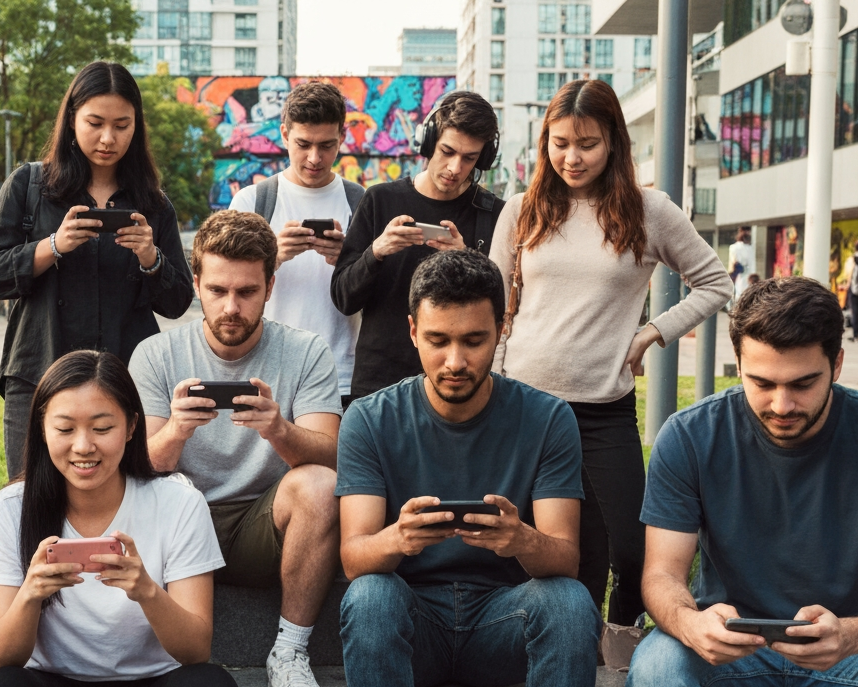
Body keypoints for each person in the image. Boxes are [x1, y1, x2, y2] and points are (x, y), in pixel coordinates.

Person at [627, 276, 858, 687]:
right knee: (656, 669)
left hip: (854, 654)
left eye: (802, 383)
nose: (781, 405)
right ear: (739, 364)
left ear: (836, 364)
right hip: (731, 654)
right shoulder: (689, 437)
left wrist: (850, 635)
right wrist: (691, 624)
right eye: (761, 383)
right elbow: (661, 575)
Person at [338, 250, 598, 687]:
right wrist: (398, 539)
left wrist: (521, 540)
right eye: (438, 341)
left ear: (501, 329)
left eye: (473, 341)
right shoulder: (369, 420)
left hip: (504, 621)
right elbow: (353, 560)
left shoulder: (549, 419)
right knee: (369, 597)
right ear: (412, 331)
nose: (455, 362)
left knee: (570, 604)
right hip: (413, 625)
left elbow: (565, 561)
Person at [489, 79, 732, 627]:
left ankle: (621, 641)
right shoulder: (521, 211)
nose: (571, 158)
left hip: (604, 409)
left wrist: (653, 332)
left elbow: (716, 284)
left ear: (614, 143)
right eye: (559, 142)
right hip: (524, 405)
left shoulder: (649, 211)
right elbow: (495, 310)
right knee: (558, 550)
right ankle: (571, 649)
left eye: (588, 143)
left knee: (632, 548)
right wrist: (494, 382)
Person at [0, 350, 244, 687]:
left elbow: (195, 651)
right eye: (64, 428)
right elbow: (4, 658)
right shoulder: (9, 510)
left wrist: (147, 591)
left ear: (132, 426)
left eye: (102, 428)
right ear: (42, 429)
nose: (84, 446)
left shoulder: (178, 502)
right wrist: (29, 595)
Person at [129, 210, 342, 687]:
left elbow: (332, 454)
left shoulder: (306, 350)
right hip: (179, 523)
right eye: (218, 289)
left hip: (259, 524)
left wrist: (278, 429)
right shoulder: (156, 355)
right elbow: (136, 471)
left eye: (247, 292)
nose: (231, 307)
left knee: (320, 484)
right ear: (196, 283)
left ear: (271, 286)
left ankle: (289, 650)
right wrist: (176, 430)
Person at [0, 61, 193, 479]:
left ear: (137, 127)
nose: (108, 138)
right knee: (32, 498)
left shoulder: (154, 204)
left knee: (124, 496)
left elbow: (178, 300)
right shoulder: (29, 186)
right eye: (95, 122)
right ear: (71, 119)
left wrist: (151, 257)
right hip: (38, 369)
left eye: (122, 125)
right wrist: (52, 246)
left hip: (125, 377)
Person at [331, 90, 506, 401]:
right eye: (447, 151)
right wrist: (377, 252)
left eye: (469, 158)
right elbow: (344, 298)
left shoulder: (492, 214)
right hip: (379, 387)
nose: (455, 168)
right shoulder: (380, 199)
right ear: (428, 143)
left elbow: (502, 313)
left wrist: (467, 260)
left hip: (459, 388)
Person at [229, 81, 364, 405]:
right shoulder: (252, 200)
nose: (314, 158)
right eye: (303, 144)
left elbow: (380, 296)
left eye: (327, 145)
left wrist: (351, 263)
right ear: (285, 134)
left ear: (342, 138)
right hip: (266, 372)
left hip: (342, 375)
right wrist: (271, 255)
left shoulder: (362, 202)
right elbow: (223, 285)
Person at [727, 226, 757, 302]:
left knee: (739, 298)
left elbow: (732, 266)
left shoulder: (734, 248)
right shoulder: (751, 248)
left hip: (740, 278)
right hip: (749, 278)